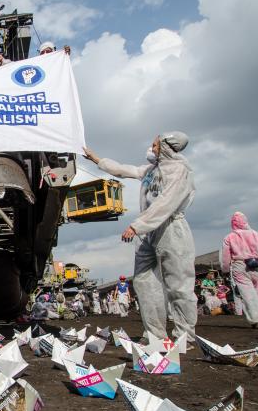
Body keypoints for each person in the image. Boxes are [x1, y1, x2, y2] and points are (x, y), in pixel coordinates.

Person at [83, 132, 197, 342]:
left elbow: (167, 202)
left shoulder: (179, 170)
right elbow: (126, 170)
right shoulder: (152, 170)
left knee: (178, 284)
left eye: (155, 145)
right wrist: (97, 159)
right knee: (144, 282)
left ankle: (185, 337)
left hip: (170, 226)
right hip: (148, 231)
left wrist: (137, 226)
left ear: (165, 147)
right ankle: (156, 335)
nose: (151, 148)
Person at [220, 211, 258, 327]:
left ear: (233, 223)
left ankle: (255, 318)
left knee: (247, 293)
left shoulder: (229, 237)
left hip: (239, 265)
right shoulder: (257, 235)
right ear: (246, 221)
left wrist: (225, 270)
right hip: (256, 265)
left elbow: (225, 256)